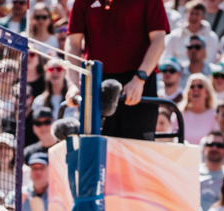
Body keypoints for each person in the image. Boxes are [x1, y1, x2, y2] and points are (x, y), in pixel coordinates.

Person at [66, 0, 170, 141]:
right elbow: (73, 42)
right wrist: (73, 84)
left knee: (135, 154)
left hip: (138, 84)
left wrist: (139, 79)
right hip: (96, 83)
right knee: (94, 150)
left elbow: (159, 40)